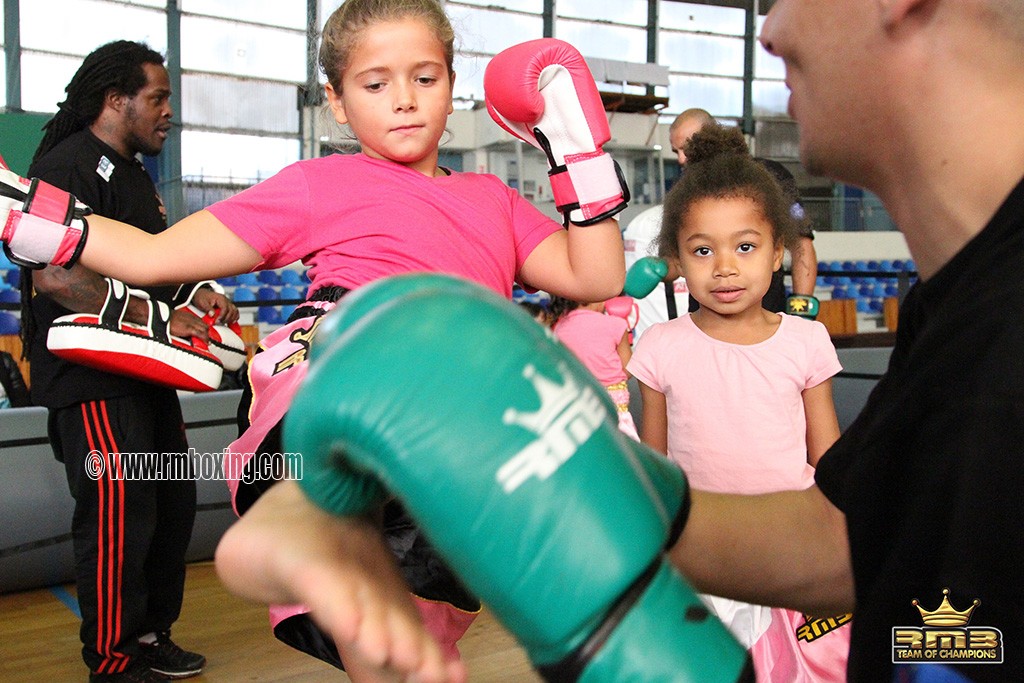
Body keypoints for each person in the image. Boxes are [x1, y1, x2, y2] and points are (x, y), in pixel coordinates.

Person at [209, 1, 1024, 682]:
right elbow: (846, 534)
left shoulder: (986, 326)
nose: (769, 30)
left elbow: (590, 272)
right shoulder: (957, 315)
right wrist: (585, 487)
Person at [1, 2, 626, 680]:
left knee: (412, 650)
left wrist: (574, 145)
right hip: (343, 369)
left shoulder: (494, 198)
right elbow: (156, 257)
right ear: (335, 100)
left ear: (454, 84)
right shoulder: (318, 186)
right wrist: (29, 217)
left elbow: (594, 273)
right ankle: (300, 523)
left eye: (425, 78)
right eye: (376, 83)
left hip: (455, 437)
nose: (406, 102)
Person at [20, 41, 234, 683]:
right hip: (89, 377)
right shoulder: (64, 167)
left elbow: (156, 277)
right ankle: (112, 661)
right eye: (158, 98)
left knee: (170, 502)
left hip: (146, 371)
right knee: (118, 508)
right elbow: (56, 277)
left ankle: (148, 636)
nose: (169, 111)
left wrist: (200, 296)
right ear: (116, 100)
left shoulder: (136, 177)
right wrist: (163, 319)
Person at [627, 124, 848, 681]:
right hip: (704, 554)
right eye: (702, 250)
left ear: (778, 253)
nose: (725, 266)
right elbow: (654, 464)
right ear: (676, 259)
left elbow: (829, 456)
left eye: (745, 247)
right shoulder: (660, 346)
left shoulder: (805, 340)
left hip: (791, 551)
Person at [623, 108, 819, 339]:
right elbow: (678, 261)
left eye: (686, 147)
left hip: (765, 320)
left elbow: (801, 245)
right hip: (703, 326)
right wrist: (660, 268)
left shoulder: (768, 177)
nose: (681, 159)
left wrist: (801, 310)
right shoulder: (686, 190)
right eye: (676, 151)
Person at [548, 295, 638, 440]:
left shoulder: (559, 328)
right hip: (614, 402)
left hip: (579, 399)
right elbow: (628, 368)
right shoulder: (616, 324)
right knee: (622, 448)